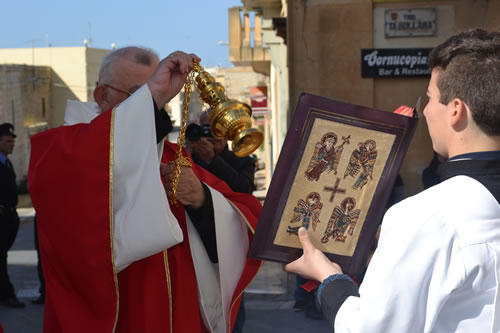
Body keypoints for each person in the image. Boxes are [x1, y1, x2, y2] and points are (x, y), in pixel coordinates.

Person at [28, 47, 262, 333]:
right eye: (138, 95)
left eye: (161, 97)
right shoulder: (62, 150)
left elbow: (247, 213)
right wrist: (152, 96)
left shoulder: (174, 157)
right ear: (102, 96)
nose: (155, 104)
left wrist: (201, 198)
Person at [285, 28, 500, 332]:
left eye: (430, 98)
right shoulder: (422, 220)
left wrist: (328, 277)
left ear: (455, 111)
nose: (424, 110)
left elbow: (369, 328)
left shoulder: (423, 217)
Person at [187, 111, 257, 333]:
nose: (211, 135)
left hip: (229, 245)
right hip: (195, 241)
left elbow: (242, 190)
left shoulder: (242, 159)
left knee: (232, 312)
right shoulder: (191, 157)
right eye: (206, 128)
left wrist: (212, 161)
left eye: (216, 129)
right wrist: (187, 151)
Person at [0, 123, 24, 308]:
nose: (12, 144)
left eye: (13, 141)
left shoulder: (6, 162)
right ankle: (7, 294)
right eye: (8, 141)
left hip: (9, 216)